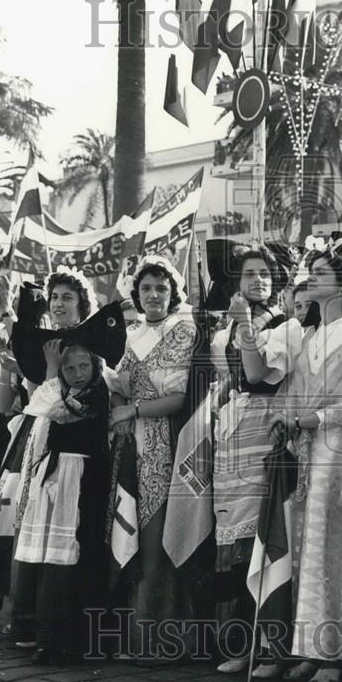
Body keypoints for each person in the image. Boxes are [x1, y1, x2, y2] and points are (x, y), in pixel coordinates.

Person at [269, 250, 342, 682]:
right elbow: (295, 394)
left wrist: (305, 421)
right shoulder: (310, 335)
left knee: (341, 546)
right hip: (311, 453)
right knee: (311, 548)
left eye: (321, 273)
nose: (311, 279)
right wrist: (288, 424)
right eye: (310, 273)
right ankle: (317, 649)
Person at [209, 246, 302, 676]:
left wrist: (246, 324)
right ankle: (241, 642)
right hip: (232, 436)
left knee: (262, 539)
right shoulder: (227, 328)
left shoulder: (286, 326)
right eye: (250, 273)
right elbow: (232, 378)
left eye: (265, 274)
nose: (258, 280)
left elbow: (257, 374)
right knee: (234, 541)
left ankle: (271, 648)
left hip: (265, 432)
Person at [10, 307, 122, 663]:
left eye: (82, 367)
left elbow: (49, 408)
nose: (76, 374)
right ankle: (47, 635)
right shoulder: (66, 389)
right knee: (50, 559)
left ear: (95, 366)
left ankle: (75, 640)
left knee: (77, 557)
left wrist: (48, 371)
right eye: (69, 368)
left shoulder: (96, 395)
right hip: (55, 480)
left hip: (84, 482)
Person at [105, 257, 197, 657]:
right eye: (146, 289)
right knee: (130, 538)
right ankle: (130, 633)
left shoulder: (183, 331)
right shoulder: (130, 333)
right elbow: (117, 382)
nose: (154, 295)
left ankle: (160, 640)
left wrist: (133, 410)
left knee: (158, 539)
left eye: (161, 288)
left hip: (165, 440)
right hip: (128, 442)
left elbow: (176, 398)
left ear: (172, 292)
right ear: (136, 294)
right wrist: (122, 405)